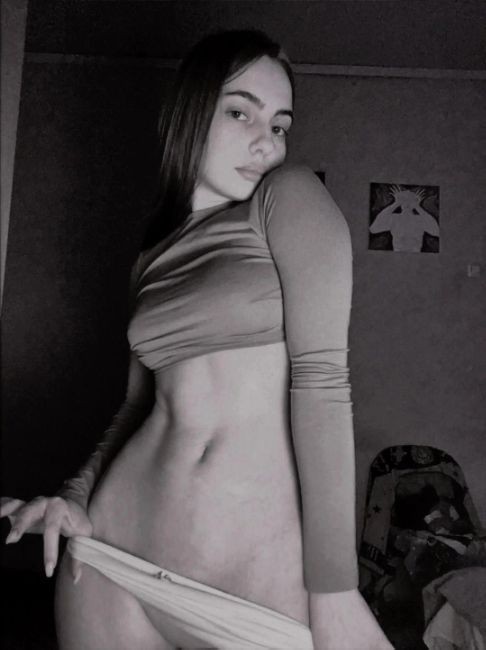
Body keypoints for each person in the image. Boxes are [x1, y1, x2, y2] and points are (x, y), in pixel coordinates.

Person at [1, 30, 393, 649]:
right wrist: (74, 496)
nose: (266, 141)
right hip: (113, 555)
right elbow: (137, 408)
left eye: (280, 125)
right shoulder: (150, 257)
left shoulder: (289, 198)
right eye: (240, 113)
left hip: (256, 584)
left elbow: (323, 382)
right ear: (189, 114)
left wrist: (336, 588)